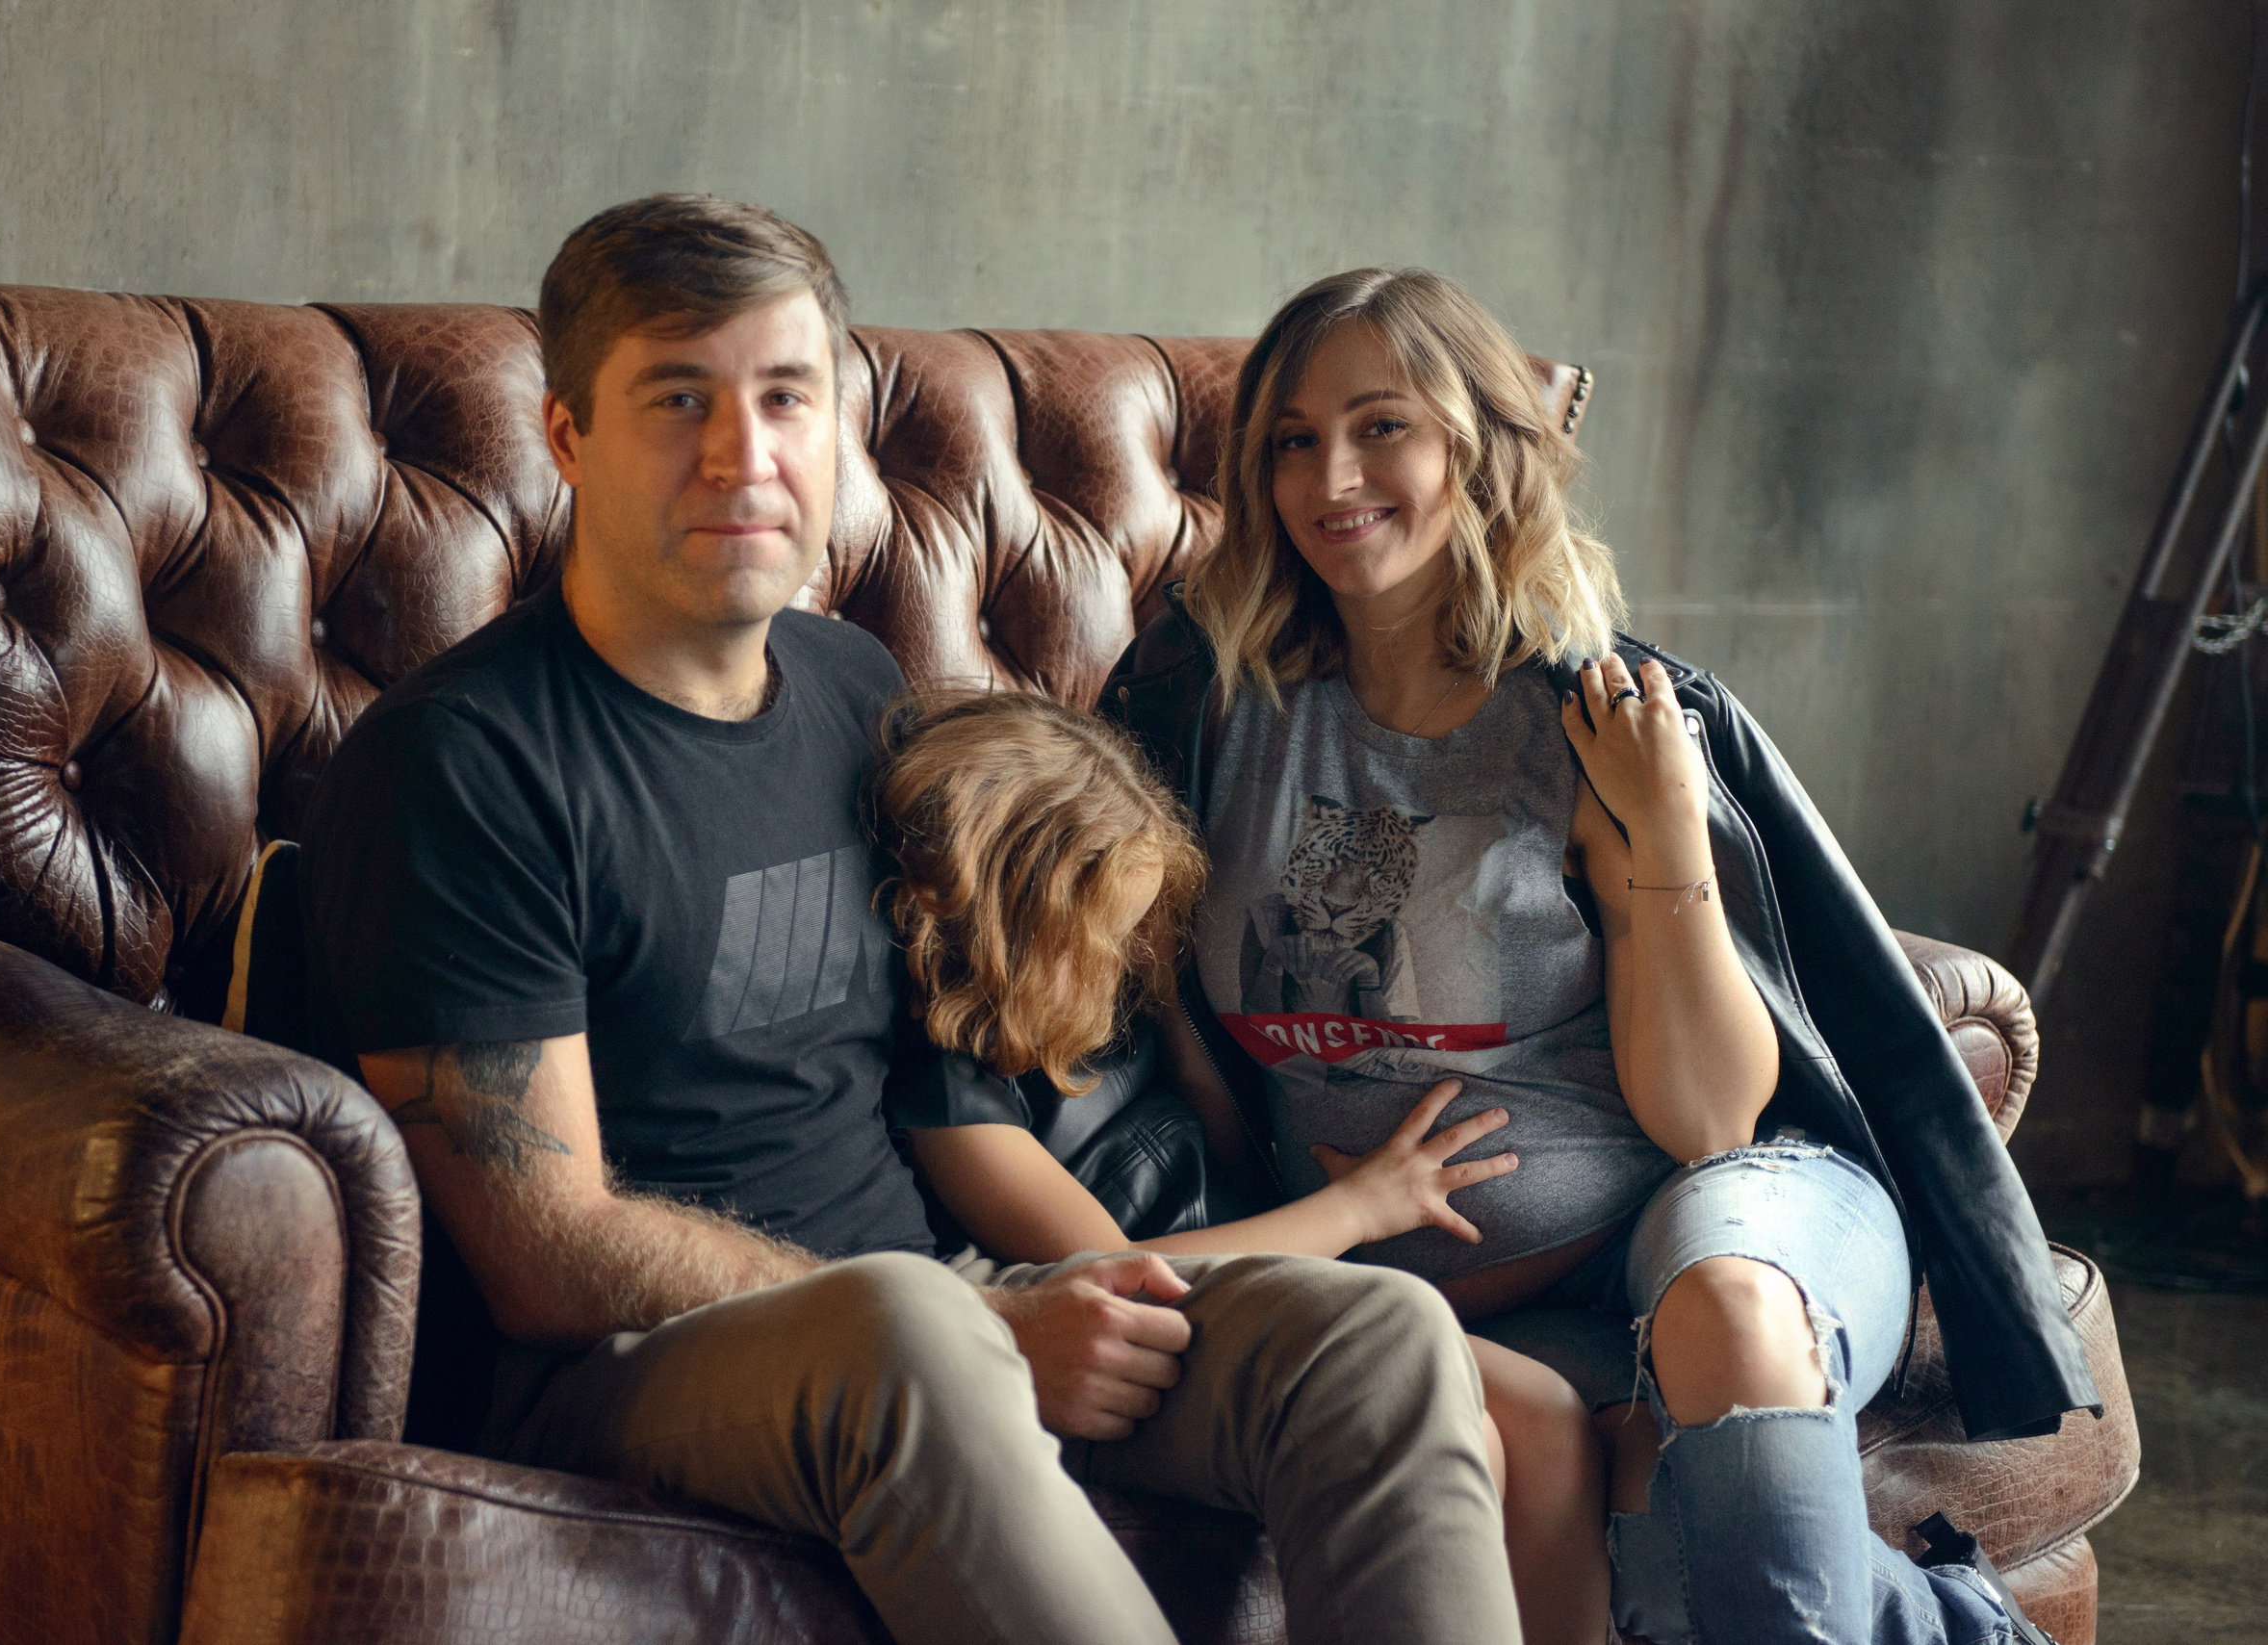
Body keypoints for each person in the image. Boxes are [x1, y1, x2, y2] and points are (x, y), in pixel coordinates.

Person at [297, 196, 1524, 1645]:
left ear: (837, 433)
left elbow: (989, 1018)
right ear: (567, 438)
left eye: (784, 399)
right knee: (911, 1330)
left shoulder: (846, 687)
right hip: (628, 1367)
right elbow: (547, 1248)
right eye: (676, 398)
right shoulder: (466, 763)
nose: (742, 457)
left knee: (1374, 1341)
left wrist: (1030, 1286)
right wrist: (986, 1327)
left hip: (942, 1308)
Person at [1099, 267, 2097, 1645]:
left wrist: (1668, 820)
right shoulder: (1204, 710)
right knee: (1680, 1555)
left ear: (1477, 448)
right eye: (1291, 437)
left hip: (1720, 1216)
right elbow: (1155, 1029)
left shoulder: (1601, 713)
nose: (1333, 474)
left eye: (1383, 425)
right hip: (1460, 1296)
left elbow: (1706, 1121)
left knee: (1731, 1320)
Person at [872, 687, 1611, 1645]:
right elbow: (1128, 1270)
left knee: (1549, 1415)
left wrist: (1178, 1009)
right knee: (1464, 1432)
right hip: (1153, 1326)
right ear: (1025, 924)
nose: (1135, 952)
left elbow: (1216, 1136)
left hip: (1266, 1283)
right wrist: (1358, 1205)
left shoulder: (1118, 1001)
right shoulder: (954, 1103)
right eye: (1113, 930)